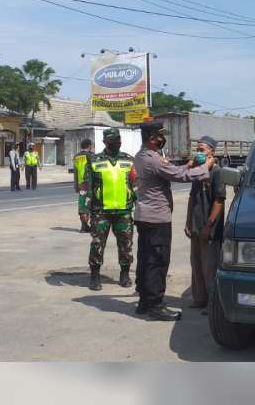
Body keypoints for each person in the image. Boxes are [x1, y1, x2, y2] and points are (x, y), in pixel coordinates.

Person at [133, 121, 212, 321]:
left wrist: (189, 165)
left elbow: (171, 170)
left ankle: (144, 301)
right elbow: (178, 176)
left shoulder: (142, 156)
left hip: (144, 215)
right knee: (157, 261)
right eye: (160, 136)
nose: (162, 139)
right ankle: (156, 305)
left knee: (145, 259)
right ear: (152, 138)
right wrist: (205, 167)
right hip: (156, 218)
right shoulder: (153, 160)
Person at [84, 129, 137, 291]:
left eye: (118, 139)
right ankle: (95, 276)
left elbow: (136, 185)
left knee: (126, 245)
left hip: (124, 211)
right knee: (97, 244)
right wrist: (83, 210)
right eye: (113, 140)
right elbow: (86, 186)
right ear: (105, 141)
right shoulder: (94, 160)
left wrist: (140, 205)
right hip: (101, 211)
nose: (117, 142)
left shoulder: (128, 160)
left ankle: (125, 274)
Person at [184, 136, 225, 313]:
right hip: (195, 227)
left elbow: (219, 200)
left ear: (212, 152)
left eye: (202, 150)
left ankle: (212, 304)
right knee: (196, 264)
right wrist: (188, 221)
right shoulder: (198, 172)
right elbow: (192, 198)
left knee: (210, 267)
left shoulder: (217, 173)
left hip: (210, 230)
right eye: (197, 150)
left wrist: (208, 226)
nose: (199, 153)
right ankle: (199, 299)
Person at [73, 138, 93, 233]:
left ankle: (83, 226)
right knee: (90, 204)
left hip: (81, 185)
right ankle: (88, 226)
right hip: (89, 184)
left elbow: (75, 172)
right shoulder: (90, 156)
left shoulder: (76, 156)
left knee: (82, 205)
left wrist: (76, 185)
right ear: (89, 146)